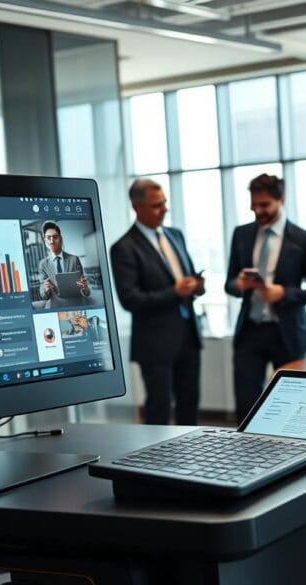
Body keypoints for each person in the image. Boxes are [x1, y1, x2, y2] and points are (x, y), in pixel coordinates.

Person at [224, 174, 306, 422]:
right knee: (246, 405)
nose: (258, 211)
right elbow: (229, 284)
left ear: (281, 199)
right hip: (250, 331)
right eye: (253, 205)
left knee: (293, 406)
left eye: (264, 205)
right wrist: (239, 284)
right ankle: (248, 458)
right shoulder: (241, 234)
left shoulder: (303, 239)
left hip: (288, 333)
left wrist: (284, 293)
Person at [110, 178, 204, 425]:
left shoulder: (175, 235)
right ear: (136, 207)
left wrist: (196, 286)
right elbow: (130, 299)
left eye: (164, 204)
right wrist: (175, 291)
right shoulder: (124, 247)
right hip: (154, 344)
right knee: (159, 411)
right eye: (156, 206)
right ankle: (157, 462)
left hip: (188, 337)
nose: (164, 210)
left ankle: (193, 461)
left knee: (189, 406)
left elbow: (186, 276)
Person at [37, 221, 90, 308]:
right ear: (45, 241)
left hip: (75, 305)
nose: (51, 241)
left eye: (55, 237)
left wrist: (84, 288)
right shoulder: (43, 264)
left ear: (60, 238)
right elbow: (43, 295)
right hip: (55, 307)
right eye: (48, 237)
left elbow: (86, 291)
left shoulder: (74, 259)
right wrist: (45, 290)